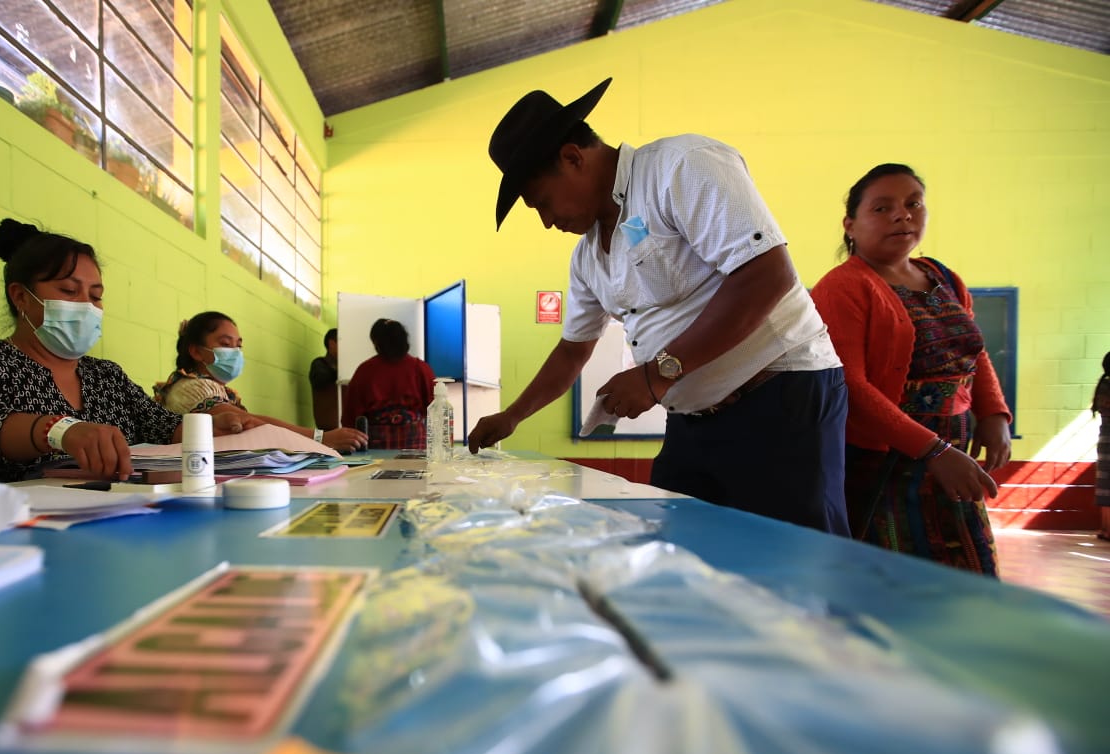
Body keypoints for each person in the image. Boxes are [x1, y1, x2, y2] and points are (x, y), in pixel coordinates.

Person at [467, 77, 850, 535]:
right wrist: (513, 415)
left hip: (779, 401)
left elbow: (766, 274)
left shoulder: (680, 167)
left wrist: (656, 374)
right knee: (682, 560)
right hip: (692, 420)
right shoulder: (588, 256)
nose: (548, 222)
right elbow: (573, 350)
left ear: (572, 158)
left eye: (542, 203)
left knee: (791, 572)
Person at [811, 163, 1011, 576]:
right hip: (886, 459)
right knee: (891, 581)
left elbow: (975, 350)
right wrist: (933, 450)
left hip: (953, 455)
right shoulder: (844, 286)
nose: (902, 215)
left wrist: (993, 413)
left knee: (968, 575)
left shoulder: (942, 275)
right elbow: (850, 385)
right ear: (850, 225)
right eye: (882, 208)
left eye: (913, 204)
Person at [0, 219, 182, 484]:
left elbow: (163, 426)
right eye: (69, 291)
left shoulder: (107, 377)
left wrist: (210, 425)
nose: (86, 306)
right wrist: (61, 430)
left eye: (95, 296)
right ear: (21, 297)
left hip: (100, 517)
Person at [154, 311, 368, 453]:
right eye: (226, 344)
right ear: (196, 351)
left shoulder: (214, 388)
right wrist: (321, 438)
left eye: (239, 345)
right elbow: (249, 422)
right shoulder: (191, 388)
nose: (236, 353)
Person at [342, 319, 437, 450]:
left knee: (376, 471)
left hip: (375, 448)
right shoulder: (420, 368)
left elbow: (350, 416)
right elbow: (436, 410)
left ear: (376, 342)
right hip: (415, 446)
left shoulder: (364, 371)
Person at [1093, 352, 1110, 542]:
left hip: (1105, 439)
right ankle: (1107, 529)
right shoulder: (1108, 386)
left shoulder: (1103, 385)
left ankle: (1105, 528)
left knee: (1105, 486)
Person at [309, 328, 340, 430]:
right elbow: (320, 380)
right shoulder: (319, 364)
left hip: (344, 429)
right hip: (325, 431)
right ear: (332, 344)